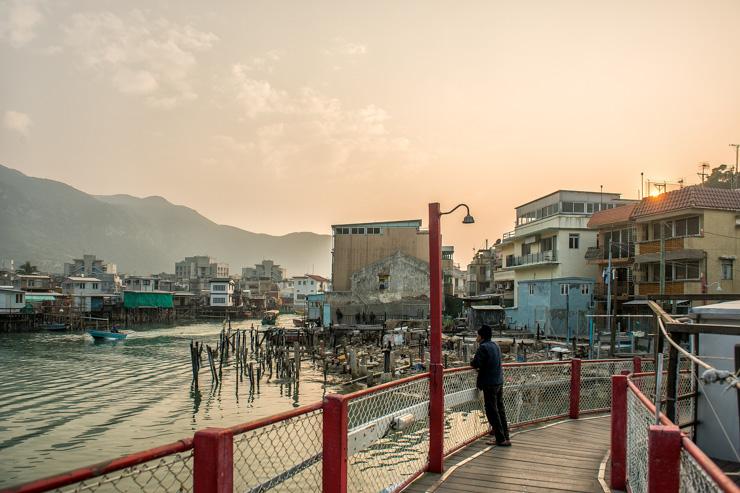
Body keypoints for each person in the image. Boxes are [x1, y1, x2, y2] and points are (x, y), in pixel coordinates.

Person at [471, 324, 511, 446]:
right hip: (498, 381)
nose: (476, 337)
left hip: (489, 383)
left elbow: (475, 363)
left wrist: (473, 362)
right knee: (500, 409)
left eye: (477, 334)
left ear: (481, 336)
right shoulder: (495, 345)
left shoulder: (483, 347)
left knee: (491, 411)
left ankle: (500, 439)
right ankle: (505, 436)